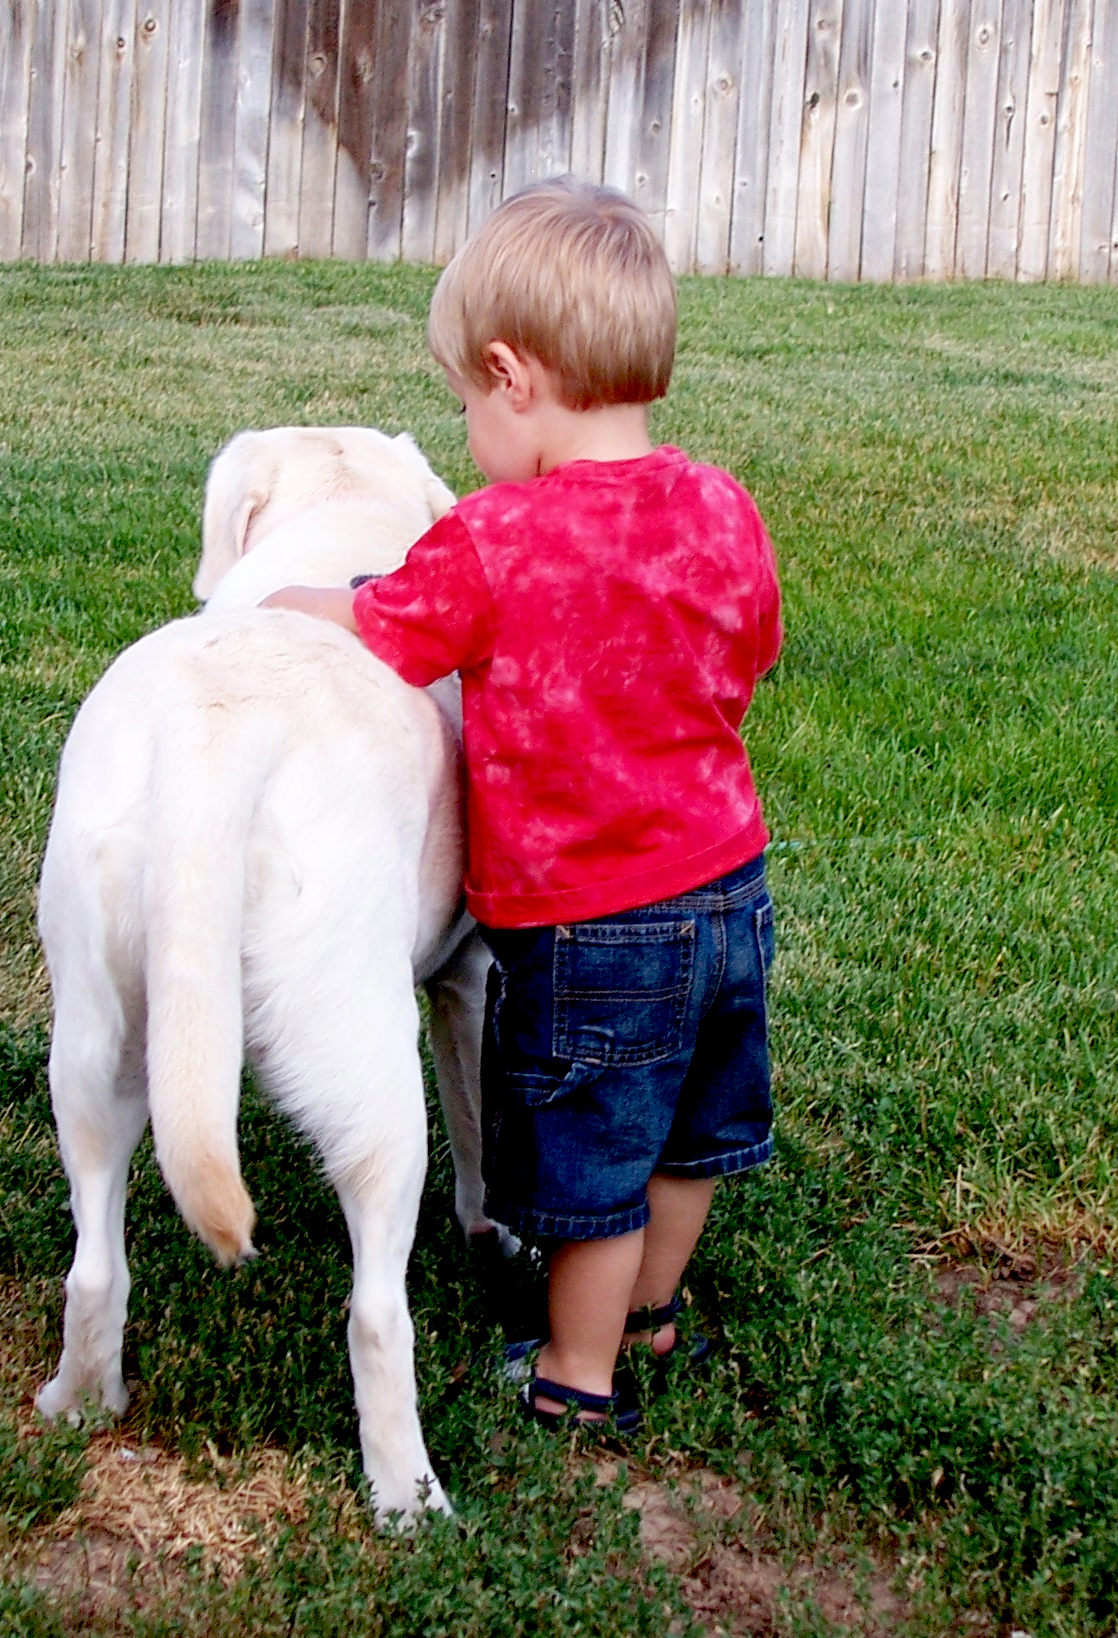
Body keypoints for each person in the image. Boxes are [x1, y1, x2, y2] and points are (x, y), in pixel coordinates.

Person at [261, 175, 781, 1432]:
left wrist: (291, 604)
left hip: (589, 925)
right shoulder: (721, 505)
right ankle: (657, 1315)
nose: (465, 441)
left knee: (592, 1168)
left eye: (462, 407)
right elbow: (752, 648)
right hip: (730, 895)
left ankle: (577, 1375)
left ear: (512, 377)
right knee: (689, 1135)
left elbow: (389, 631)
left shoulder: (495, 538)